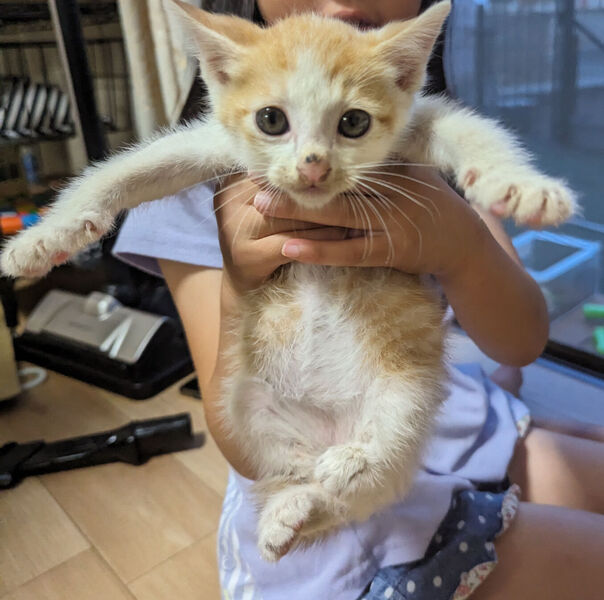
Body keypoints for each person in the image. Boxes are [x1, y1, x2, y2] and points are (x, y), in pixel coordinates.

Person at [113, 1, 604, 598]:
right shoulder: (195, 185)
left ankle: (503, 411)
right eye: (274, 120)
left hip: (447, 420)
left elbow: (522, 338)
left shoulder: (422, 136)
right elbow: (244, 446)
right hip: (337, 498)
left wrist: (463, 248)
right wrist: (240, 285)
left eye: (350, 123)